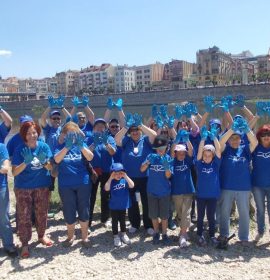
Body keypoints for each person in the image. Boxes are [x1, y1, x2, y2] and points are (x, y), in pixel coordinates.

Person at [12, 121, 53, 258]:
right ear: (24, 135)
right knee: (24, 216)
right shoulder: (20, 149)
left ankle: (41, 235)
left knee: (42, 213)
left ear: (38, 133)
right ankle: (24, 243)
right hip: (23, 187)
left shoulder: (44, 146)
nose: (32, 136)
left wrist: (44, 161)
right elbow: (14, 172)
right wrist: (26, 162)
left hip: (42, 186)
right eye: (28, 133)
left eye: (34, 132)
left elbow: (50, 168)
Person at [53, 121, 93, 247]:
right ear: (64, 135)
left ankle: (84, 237)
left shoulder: (81, 144)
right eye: (68, 134)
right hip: (66, 184)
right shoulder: (60, 145)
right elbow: (57, 159)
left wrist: (81, 146)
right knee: (68, 210)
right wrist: (67, 147)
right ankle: (70, 236)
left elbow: (90, 157)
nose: (71, 136)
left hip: (83, 182)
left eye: (73, 134)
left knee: (84, 209)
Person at [115, 115, 157, 235]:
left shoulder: (145, 140)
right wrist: (126, 127)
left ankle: (148, 224)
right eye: (132, 130)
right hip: (130, 177)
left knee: (146, 201)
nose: (134, 132)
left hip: (145, 176)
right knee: (132, 201)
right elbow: (116, 139)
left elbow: (154, 135)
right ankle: (135, 223)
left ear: (140, 131)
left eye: (136, 130)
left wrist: (141, 125)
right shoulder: (126, 141)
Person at [219, 121, 258, 244]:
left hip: (243, 187)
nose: (235, 140)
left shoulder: (245, 150)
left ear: (241, 139)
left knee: (244, 213)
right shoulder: (226, 150)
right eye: (232, 138)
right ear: (229, 140)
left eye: (237, 138)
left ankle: (244, 237)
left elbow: (255, 142)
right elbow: (220, 142)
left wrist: (247, 129)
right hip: (227, 186)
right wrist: (231, 130)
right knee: (224, 212)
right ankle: (224, 234)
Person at [140, 135, 173, 245]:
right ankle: (156, 233)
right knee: (153, 215)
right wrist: (148, 162)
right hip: (152, 191)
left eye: (162, 148)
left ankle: (164, 234)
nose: (160, 150)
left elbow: (168, 176)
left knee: (164, 216)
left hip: (164, 192)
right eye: (158, 148)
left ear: (167, 148)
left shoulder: (168, 158)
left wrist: (166, 167)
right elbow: (142, 169)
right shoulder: (150, 156)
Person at [87, 118, 116, 229]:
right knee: (91, 197)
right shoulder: (89, 138)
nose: (100, 128)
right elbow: (86, 154)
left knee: (106, 196)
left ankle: (105, 219)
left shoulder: (109, 138)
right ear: (94, 128)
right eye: (97, 126)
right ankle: (88, 223)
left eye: (102, 127)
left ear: (106, 128)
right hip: (93, 172)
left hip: (106, 171)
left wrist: (106, 143)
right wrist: (94, 143)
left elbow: (113, 152)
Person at [195, 137, 221, 246]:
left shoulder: (215, 165)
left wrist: (215, 137)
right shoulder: (199, 165)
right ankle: (199, 234)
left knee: (211, 216)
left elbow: (218, 151)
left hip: (212, 196)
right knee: (200, 216)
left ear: (213, 156)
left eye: (209, 156)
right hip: (201, 195)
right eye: (205, 155)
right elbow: (199, 153)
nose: (206, 157)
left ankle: (212, 235)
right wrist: (203, 140)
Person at [170, 142, 195, 248]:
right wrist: (176, 141)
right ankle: (183, 230)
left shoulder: (188, 161)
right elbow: (171, 152)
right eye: (179, 153)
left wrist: (187, 140)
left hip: (188, 191)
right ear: (175, 153)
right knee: (180, 213)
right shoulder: (172, 161)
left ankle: (183, 235)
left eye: (183, 153)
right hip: (176, 192)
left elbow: (191, 150)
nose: (181, 155)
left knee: (186, 213)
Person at [105, 163, 134, 247]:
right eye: (115, 174)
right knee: (114, 221)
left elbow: (132, 185)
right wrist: (111, 178)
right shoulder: (111, 181)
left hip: (123, 205)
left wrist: (125, 176)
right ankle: (116, 236)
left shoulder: (124, 180)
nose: (118, 175)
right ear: (112, 174)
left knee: (122, 220)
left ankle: (123, 234)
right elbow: (106, 188)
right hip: (114, 206)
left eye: (120, 173)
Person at [251, 124, 270, 242]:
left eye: (268, 134)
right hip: (257, 185)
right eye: (263, 135)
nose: (266, 137)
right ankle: (260, 231)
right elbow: (250, 133)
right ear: (259, 137)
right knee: (261, 209)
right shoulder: (256, 147)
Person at [0, 143, 17, 257]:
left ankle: (8, 245)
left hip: (1, 187)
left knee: (3, 217)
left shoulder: (1, 147)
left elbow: (6, 168)